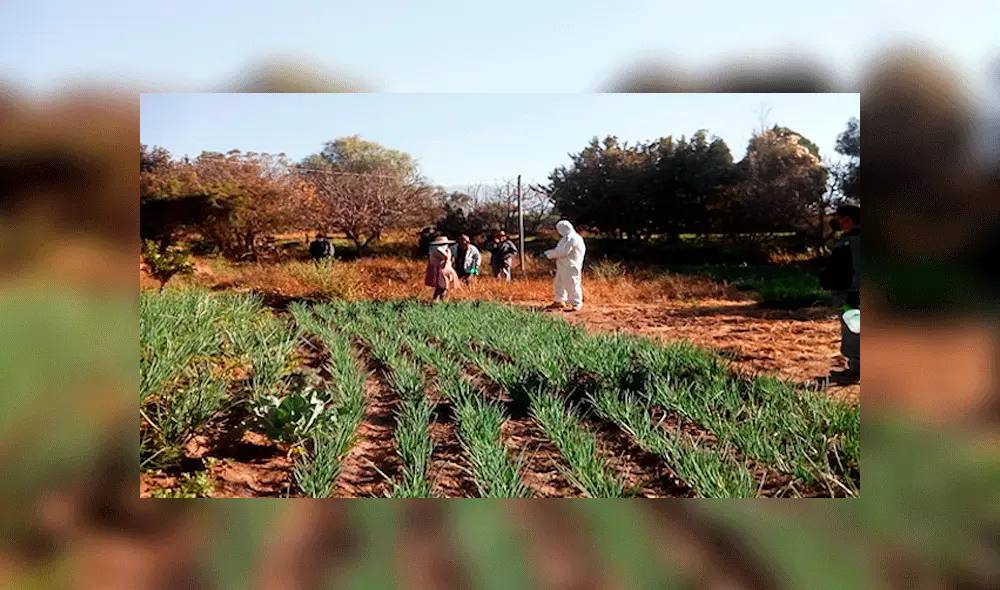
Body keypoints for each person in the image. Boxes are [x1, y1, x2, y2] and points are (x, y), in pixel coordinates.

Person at [818, 204, 861, 384]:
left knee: (853, 330)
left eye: (839, 219)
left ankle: (856, 369)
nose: (836, 222)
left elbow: (849, 269)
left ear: (847, 220)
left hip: (850, 296)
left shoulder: (850, 242)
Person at [543, 220, 587, 312]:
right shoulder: (566, 238)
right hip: (563, 265)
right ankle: (559, 301)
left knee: (572, 284)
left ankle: (576, 303)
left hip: (571, 266)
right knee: (559, 284)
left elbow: (563, 252)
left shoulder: (573, 238)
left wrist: (548, 254)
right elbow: (558, 250)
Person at [425, 235, 458, 301]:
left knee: (444, 287)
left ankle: (441, 301)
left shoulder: (446, 249)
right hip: (439, 270)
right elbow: (445, 257)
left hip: (445, 269)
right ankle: (437, 301)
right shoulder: (437, 249)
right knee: (441, 287)